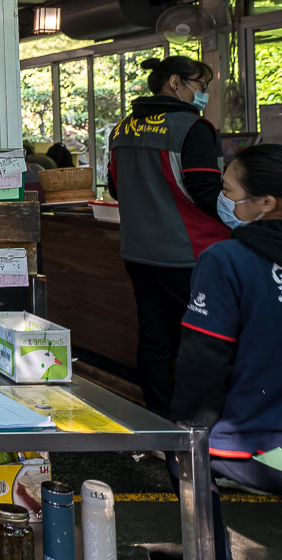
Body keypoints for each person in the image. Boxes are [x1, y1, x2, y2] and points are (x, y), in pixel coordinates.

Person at [170, 144, 282, 560]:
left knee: (183, 456)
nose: (223, 199)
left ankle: (208, 551)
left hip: (253, 447)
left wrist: (185, 437)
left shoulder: (227, 260)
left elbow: (203, 362)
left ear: (266, 203)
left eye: (230, 191)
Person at [106, 56, 228, 416]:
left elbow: (115, 189)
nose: (203, 93)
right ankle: (198, 431)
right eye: (200, 85)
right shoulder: (193, 128)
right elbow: (207, 192)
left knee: (155, 341)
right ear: (176, 83)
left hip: (139, 254)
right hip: (192, 254)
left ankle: (161, 425)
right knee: (201, 342)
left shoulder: (122, 128)